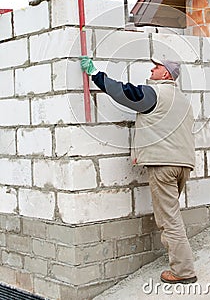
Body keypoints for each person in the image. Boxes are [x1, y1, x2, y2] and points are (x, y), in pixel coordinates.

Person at [80, 55, 197, 284]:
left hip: (163, 166)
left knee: (169, 219)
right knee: (172, 215)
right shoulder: (183, 100)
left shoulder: (156, 93)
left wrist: (96, 74)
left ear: (166, 74)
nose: (152, 68)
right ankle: (183, 265)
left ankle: (183, 271)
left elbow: (126, 92)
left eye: (158, 66)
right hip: (183, 165)